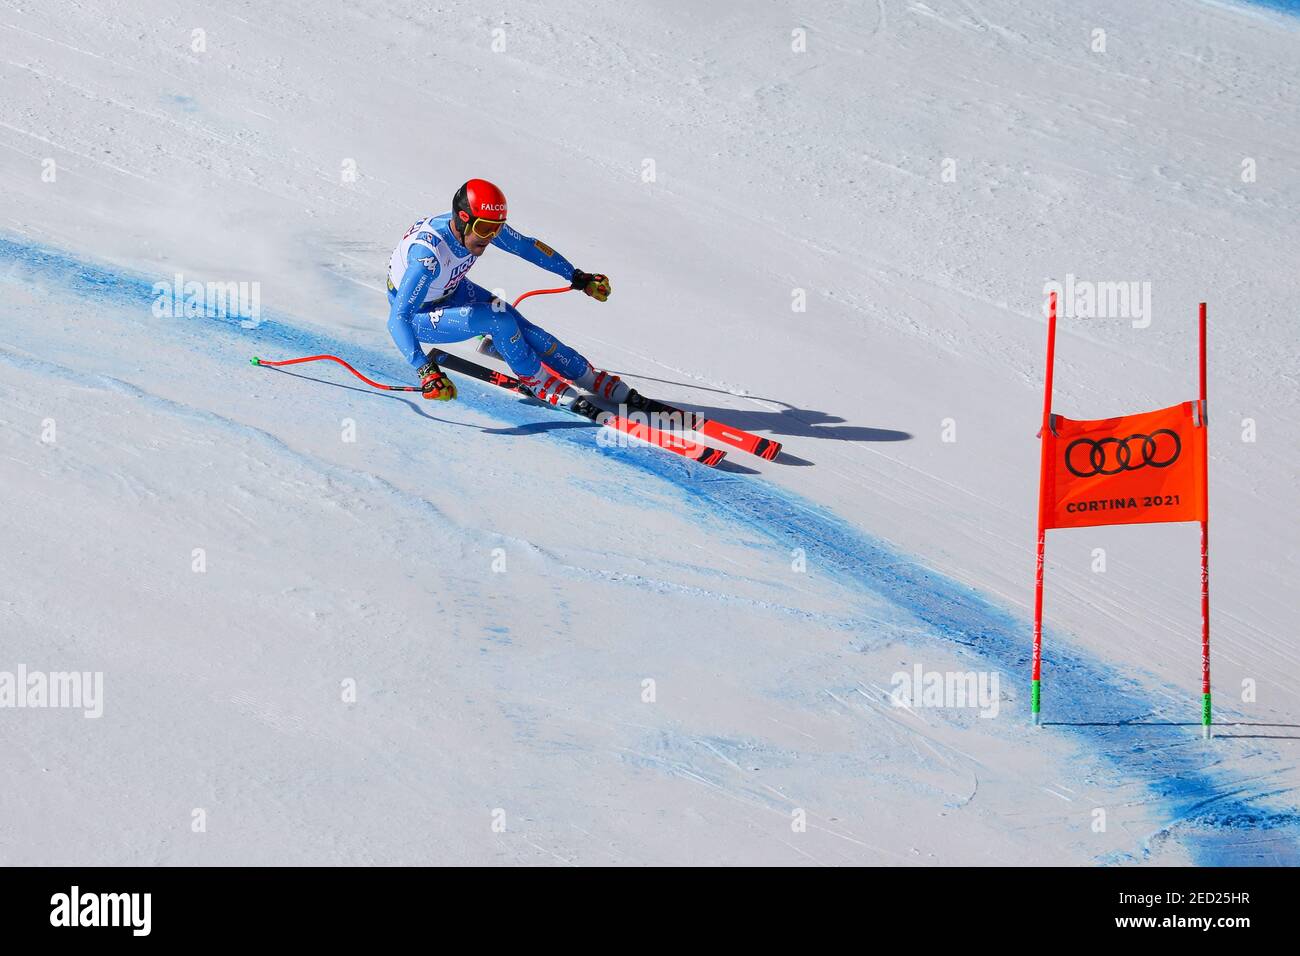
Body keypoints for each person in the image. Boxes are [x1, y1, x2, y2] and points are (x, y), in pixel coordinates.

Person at [386, 178, 633, 408]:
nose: (490, 237)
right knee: (499, 321)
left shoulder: (479, 225)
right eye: (485, 229)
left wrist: (577, 276)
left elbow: (525, 246)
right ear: (462, 219)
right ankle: (536, 379)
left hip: (452, 290)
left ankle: (587, 375)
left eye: (496, 229)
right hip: (420, 317)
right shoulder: (428, 257)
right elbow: (398, 319)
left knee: (521, 325)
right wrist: (425, 370)